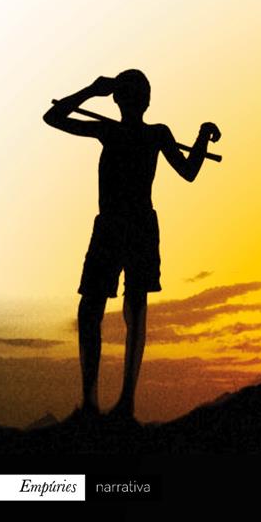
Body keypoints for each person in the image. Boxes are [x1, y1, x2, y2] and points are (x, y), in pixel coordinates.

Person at [43, 70, 221, 421]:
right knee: (94, 308)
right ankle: (92, 402)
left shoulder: (154, 133)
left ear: (138, 100)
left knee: (132, 308)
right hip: (113, 226)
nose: (135, 99)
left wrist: (202, 137)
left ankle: (123, 402)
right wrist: (91, 90)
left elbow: (188, 171)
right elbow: (52, 117)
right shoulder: (111, 131)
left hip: (135, 225)